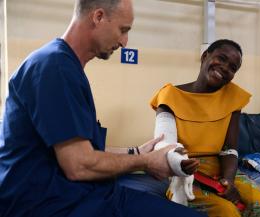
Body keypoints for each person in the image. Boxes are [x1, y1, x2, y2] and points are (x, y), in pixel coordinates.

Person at [0, 0, 206, 217]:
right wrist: (146, 162)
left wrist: (136, 151)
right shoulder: (54, 68)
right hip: (49, 204)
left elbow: (79, 147)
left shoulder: (63, 65)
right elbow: (78, 165)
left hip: (80, 195)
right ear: (98, 17)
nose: (125, 42)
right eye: (123, 30)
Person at [150, 39, 260, 217]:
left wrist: (228, 181)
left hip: (224, 171)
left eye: (232, 67)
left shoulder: (233, 97)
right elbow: (166, 146)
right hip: (185, 173)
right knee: (227, 212)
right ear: (205, 56)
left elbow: (229, 149)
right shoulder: (169, 96)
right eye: (221, 58)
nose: (225, 68)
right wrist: (180, 164)